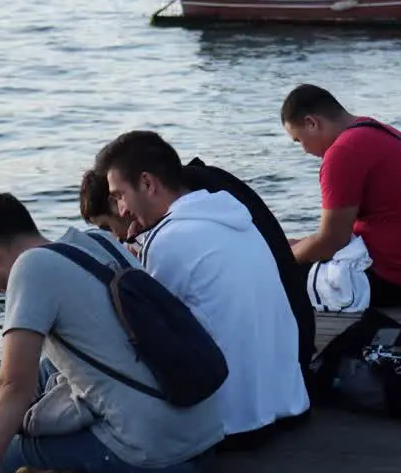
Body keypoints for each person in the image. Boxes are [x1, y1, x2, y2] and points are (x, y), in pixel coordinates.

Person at [0, 190, 222, 473]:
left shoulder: (30, 268)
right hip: (202, 439)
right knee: (44, 372)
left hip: (153, 457)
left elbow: (12, 386)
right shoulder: (97, 241)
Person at [93, 131, 310, 446]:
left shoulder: (168, 240)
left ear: (147, 183)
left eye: (119, 196)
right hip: (286, 403)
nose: (122, 210)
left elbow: (143, 336)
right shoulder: (231, 216)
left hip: (231, 425)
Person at [79, 162, 317, 382]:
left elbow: (159, 326)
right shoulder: (214, 200)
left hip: (246, 390)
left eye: (107, 227)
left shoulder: (172, 235)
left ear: (117, 202)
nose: (115, 237)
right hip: (289, 362)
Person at [280, 84, 401, 307]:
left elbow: (331, 242)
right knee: (294, 249)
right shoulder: (373, 130)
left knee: (270, 277)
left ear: (312, 123)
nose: (304, 150)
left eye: (298, 140)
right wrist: (297, 245)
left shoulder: (342, 152)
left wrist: (282, 256)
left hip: (392, 281)